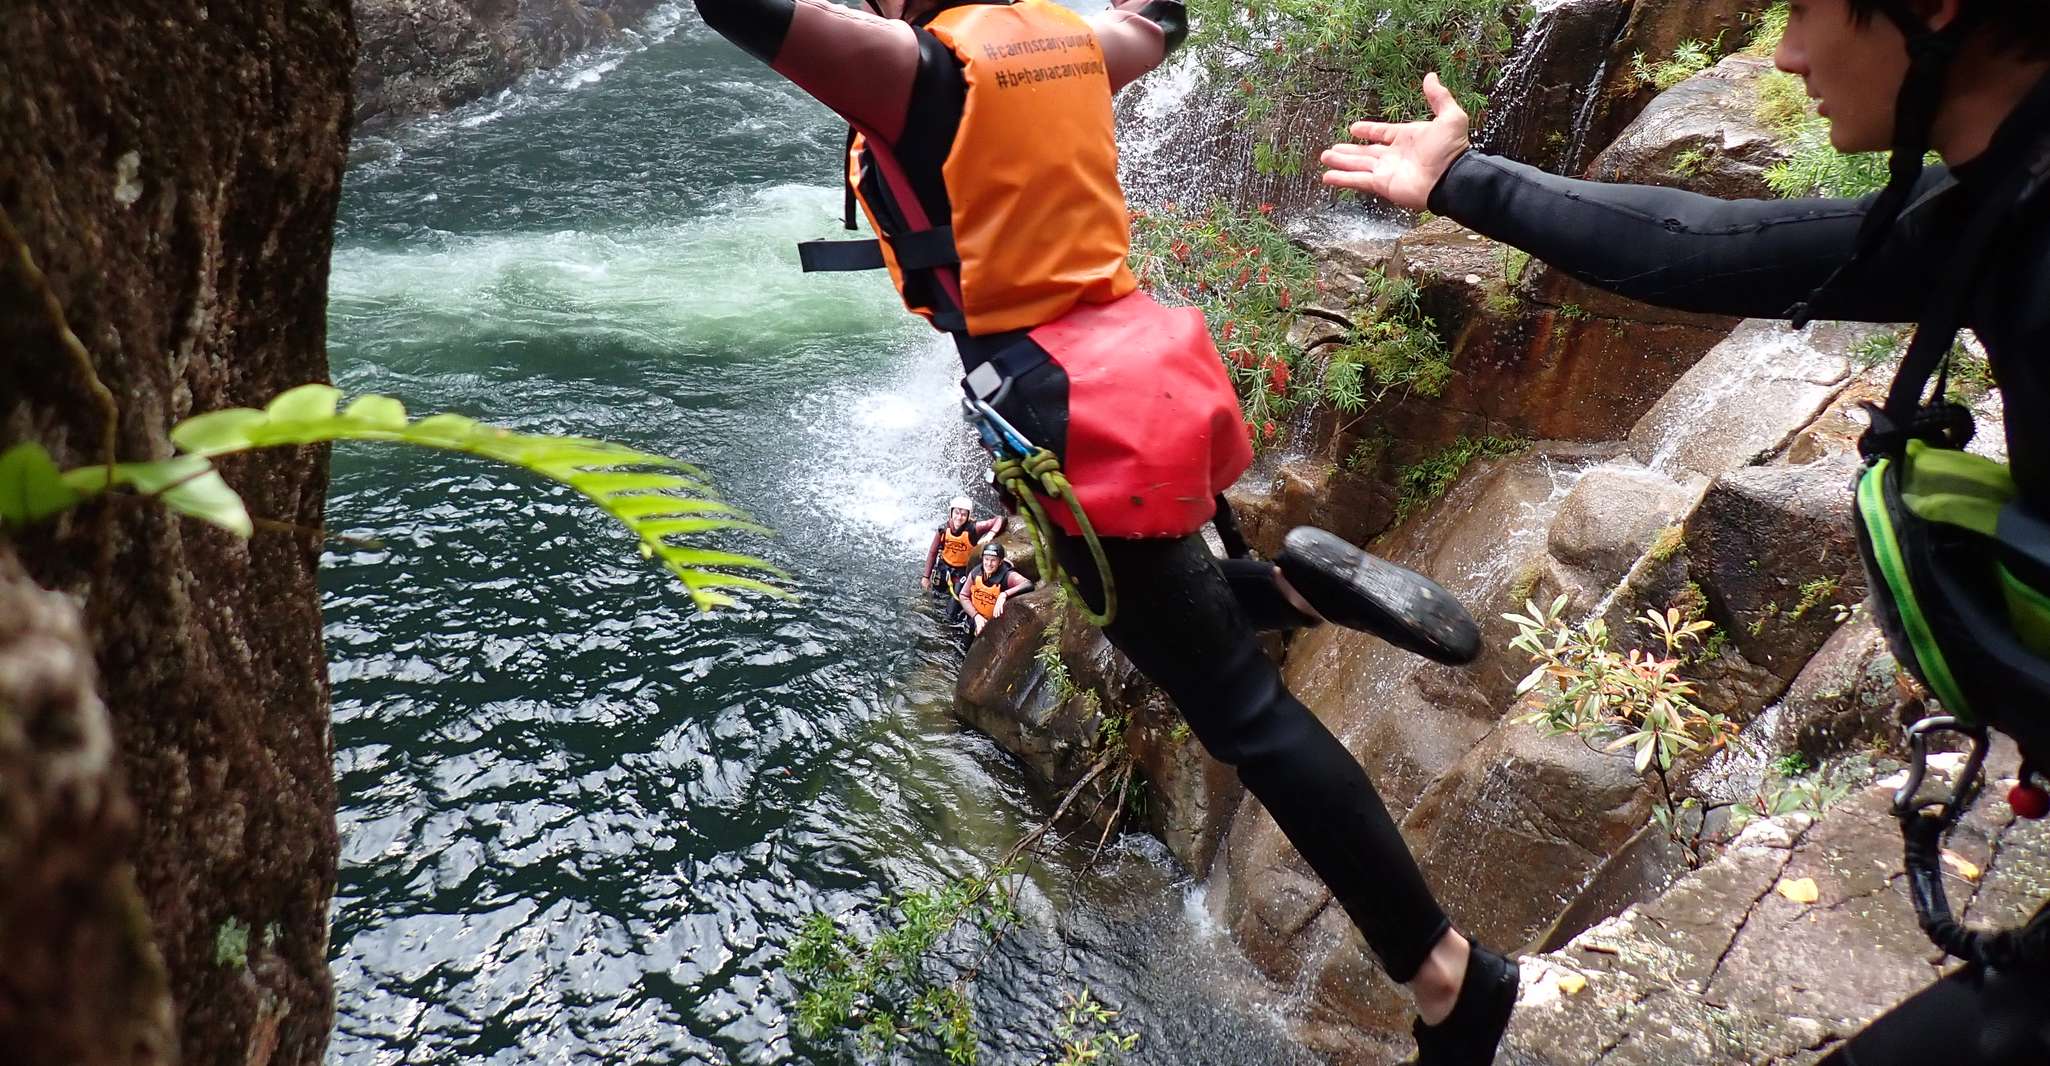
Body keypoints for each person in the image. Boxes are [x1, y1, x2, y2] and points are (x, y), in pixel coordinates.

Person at [692, 0, 1518, 1060]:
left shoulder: (912, 73)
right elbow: (1162, 20)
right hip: (1140, 360)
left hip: (1059, 406)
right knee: (1142, 617)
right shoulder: (1073, 43)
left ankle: (1449, 977)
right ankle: (1294, 590)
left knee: (1242, 712)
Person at [1321, 2, 2050, 1061]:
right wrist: (1458, 179)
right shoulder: (2008, 204)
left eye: (1805, 9)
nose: (1787, 50)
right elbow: (1714, 248)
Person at [923, 495, 1003, 617]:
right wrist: (926, 576)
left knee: (952, 611)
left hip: (961, 573)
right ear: (950, 512)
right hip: (943, 568)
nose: (959, 517)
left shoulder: (974, 528)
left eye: (964, 514)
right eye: (956, 513)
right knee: (935, 598)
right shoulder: (943, 530)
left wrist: (990, 534)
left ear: (968, 516)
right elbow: (933, 553)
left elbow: (1000, 519)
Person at [958, 541, 1033, 638]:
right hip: (975, 618)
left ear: (1000, 562)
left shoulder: (1007, 576)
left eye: (993, 560)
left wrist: (1004, 595)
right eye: (986, 559)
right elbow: (963, 596)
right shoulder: (976, 572)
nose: (989, 564)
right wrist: (976, 616)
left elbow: (1028, 584)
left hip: (994, 626)